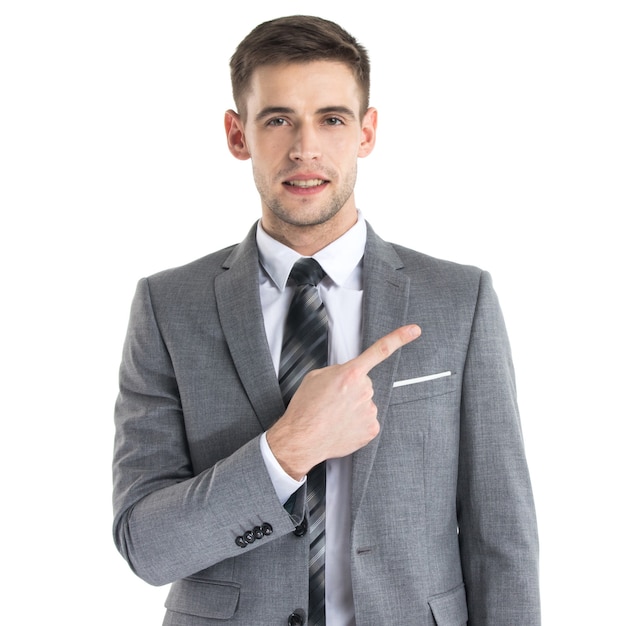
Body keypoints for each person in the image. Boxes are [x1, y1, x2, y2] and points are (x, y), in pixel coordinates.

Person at [112, 15, 541, 626]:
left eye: (332, 119)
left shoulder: (460, 299)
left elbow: (504, 541)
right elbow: (146, 546)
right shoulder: (167, 306)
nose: (304, 148)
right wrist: (285, 451)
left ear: (367, 132)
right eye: (278, 119)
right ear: (238, 135)